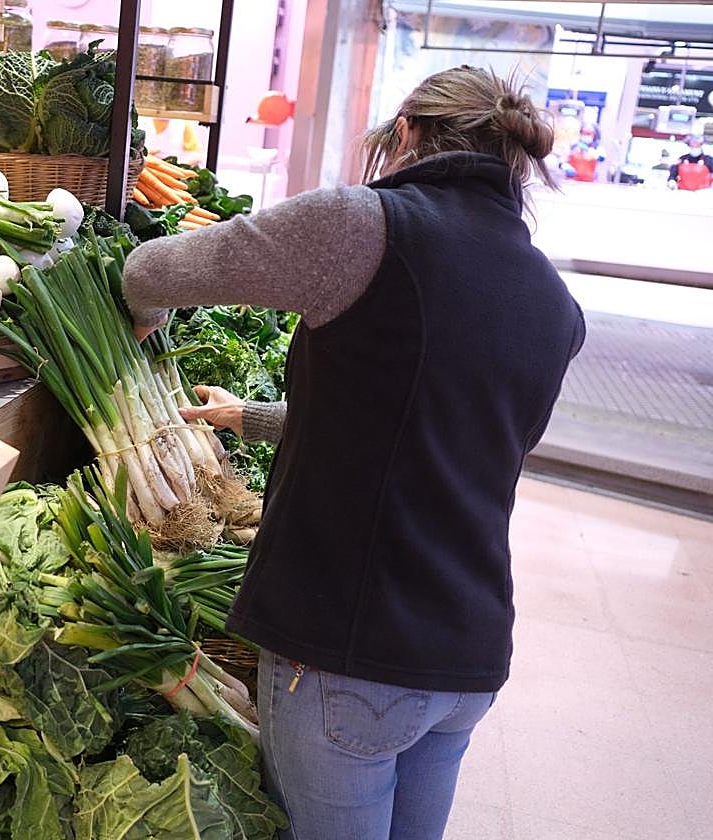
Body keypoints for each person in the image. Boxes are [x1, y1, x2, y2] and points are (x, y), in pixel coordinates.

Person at [122, 66, 586, 840]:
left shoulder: (363, 224)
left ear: (404, 134)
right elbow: (435, 429)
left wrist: (147, 311)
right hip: (467, 655)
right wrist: (251, 416)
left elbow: (153, 270)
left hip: (352, 651)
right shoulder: (555, 303)